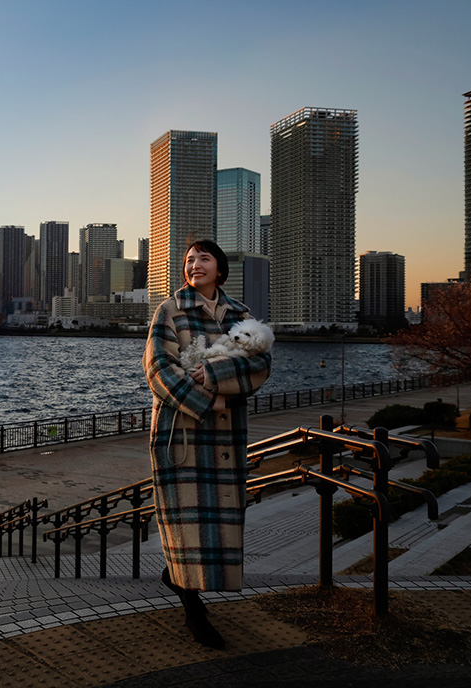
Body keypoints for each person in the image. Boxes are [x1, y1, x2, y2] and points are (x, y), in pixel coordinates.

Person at [143, 239, 272, 649]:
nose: (195, 264)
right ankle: (193, 611)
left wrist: (214, 380)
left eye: (204, 258)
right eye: (189, 260)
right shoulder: (170, 311)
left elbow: (260, 365)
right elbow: (158, 369)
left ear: (220, 268)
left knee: (216, 524)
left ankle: (180, 578)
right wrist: (209, 399)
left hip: (225, 438)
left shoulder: (241, 315)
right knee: (184, 525)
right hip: (180, 432)